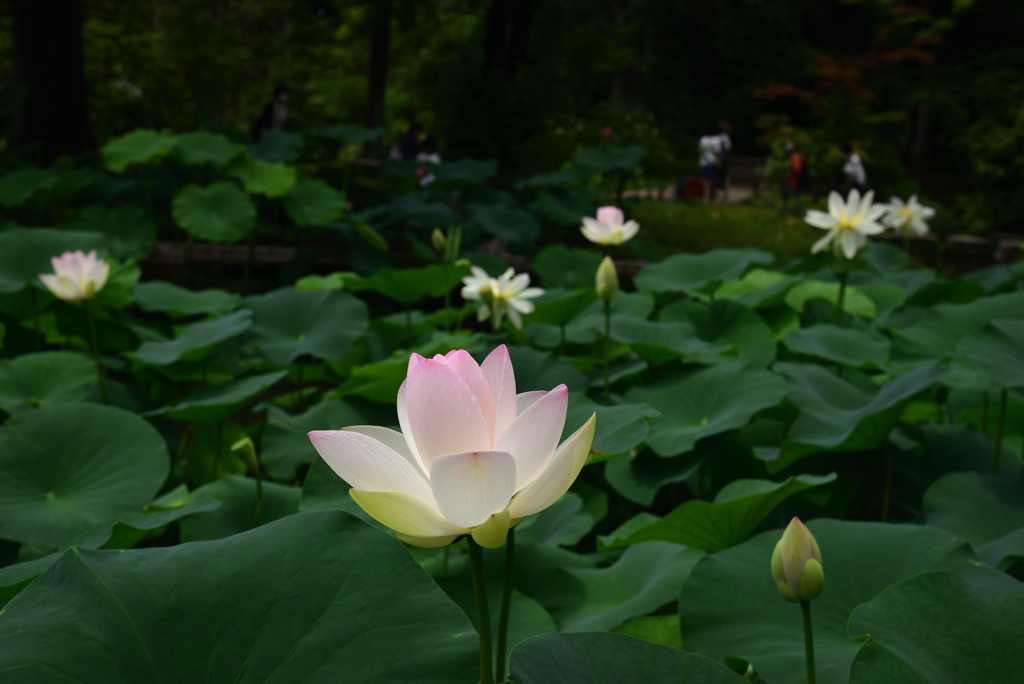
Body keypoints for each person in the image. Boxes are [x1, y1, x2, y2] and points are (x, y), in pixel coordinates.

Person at [697, 126, 722, 204]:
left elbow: (699, 149)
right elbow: (717, 152)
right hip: (711, 162)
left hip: (702, 161)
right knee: (709, 180)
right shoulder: (716, 140)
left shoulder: (703, 139)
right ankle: (705, 196)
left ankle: (700, 194)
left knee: (702, 179)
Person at [714, 120, 733, 201]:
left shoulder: (715, 136)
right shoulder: (725, 137)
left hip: (714, 159)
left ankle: (714, 190)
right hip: (722, 159)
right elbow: (728, 148)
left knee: (715, 174)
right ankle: (720, 190)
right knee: (722, 175)